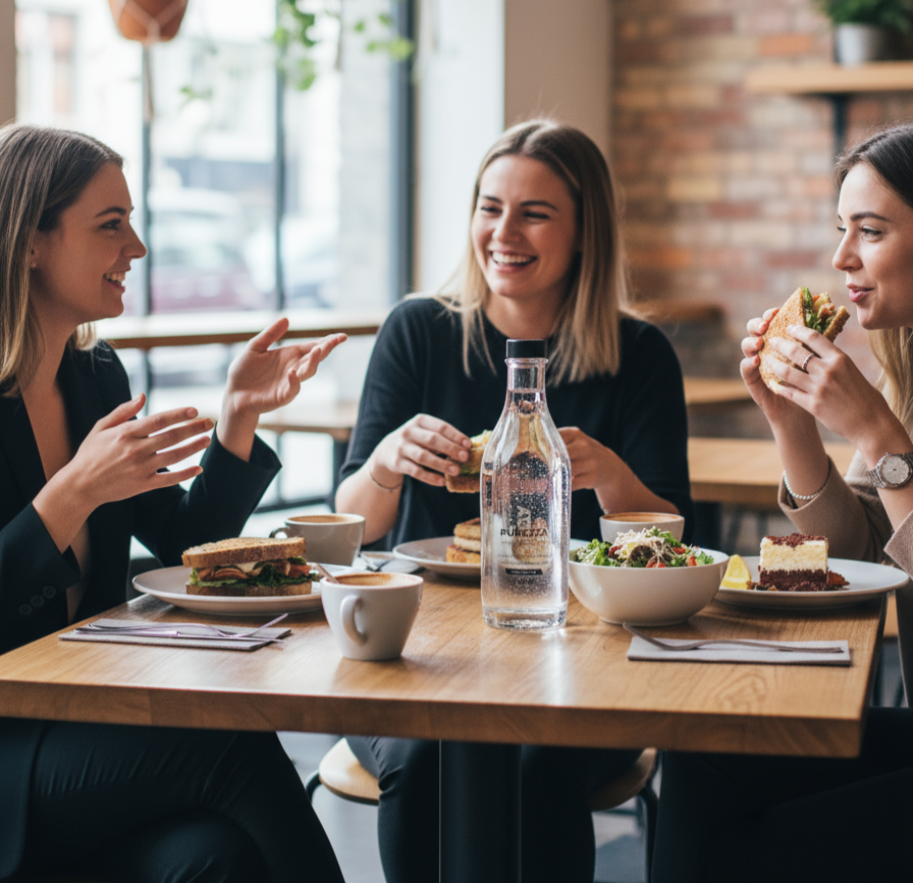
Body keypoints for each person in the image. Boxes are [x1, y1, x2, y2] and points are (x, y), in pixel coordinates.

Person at [335, 118, 693, 883]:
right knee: (422, 757)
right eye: (489, 206)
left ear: (584, 234)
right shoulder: (419, 331)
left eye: (534, 212)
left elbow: (671, 529)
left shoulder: (639, 355)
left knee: (538, 760)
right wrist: (389, 461)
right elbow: (353, 522)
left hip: (582, 644)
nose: (503, 232)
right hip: (421, 646)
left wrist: (605, 475)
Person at [0, 125, 347, 883]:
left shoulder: (95, 378)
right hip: (9, 744)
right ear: (29, 243)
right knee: (231, 738)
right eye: (110, 225)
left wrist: (239, 415)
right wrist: (72, 492)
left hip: (84, 719)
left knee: (211, 859)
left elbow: (186, 543)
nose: (138, 248)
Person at [653, 123, 913, 883]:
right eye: (841, 231)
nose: (841, 259)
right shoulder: (905, 369)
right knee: (704, 754)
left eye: (869, 231)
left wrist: (878, 435)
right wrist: (789, 421)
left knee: (748, 853)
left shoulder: (889, 408)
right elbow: (858, 556)